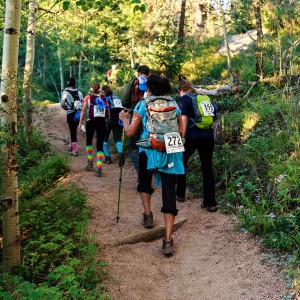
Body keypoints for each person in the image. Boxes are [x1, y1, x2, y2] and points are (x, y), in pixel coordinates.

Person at [119, 75, 184, 257]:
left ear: (149, 89)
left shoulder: (143, 104)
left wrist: (124, 118)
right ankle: (168, 240)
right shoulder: (175, 103)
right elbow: (180, 130)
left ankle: (148, 215)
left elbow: (131, 132)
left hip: (149, 147)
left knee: (145, 182)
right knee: (169, 192)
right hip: (171, 148)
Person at [176, 80, 218, 212]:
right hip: (208, 136)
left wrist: (182, 137)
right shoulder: (205, 99)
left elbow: (183, 119)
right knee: (207, 168)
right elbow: (214, 115)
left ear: (181, 90)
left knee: (181, 161)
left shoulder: (184, 99)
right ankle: (210, 202)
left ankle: (180, 194)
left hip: (192, 137)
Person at [122, 65, 150, 175]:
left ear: (138, 73)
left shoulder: (134, 83)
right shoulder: (153, 82)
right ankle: (150, 171)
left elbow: (124, 101)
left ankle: (141, 173)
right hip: (152, 117)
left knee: (134, 146)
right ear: (148, 73)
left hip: (136, 114)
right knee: (148, 144)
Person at [78, 82, 108, 177]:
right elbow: (108, 112)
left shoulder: (88, 97)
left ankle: (90, 162)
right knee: (100, 145)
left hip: (91, 121)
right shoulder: (104, 98)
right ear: (99, 89)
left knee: (89, 141)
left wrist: (80, 122)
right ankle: (99, 168)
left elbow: (83, 109)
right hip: (102, 123)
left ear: (91, 89)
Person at [101, 85, 124, 165]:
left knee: (104, 138)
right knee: (117, 138)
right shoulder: (116, 97)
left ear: (104, 91)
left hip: (108, 120)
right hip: (118, 119)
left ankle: (107, 158)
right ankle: (121, 153)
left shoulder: (104, 98)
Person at [60, 78, 83, 156]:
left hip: (70, 113)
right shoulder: (79, 92)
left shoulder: (65, 92)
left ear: (68, 83)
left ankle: (75, 150)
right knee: (74, 130)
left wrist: (67, 109)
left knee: (72, 131)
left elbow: (62, 103)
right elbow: (82, 102)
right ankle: (71, 145)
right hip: (78, 113)